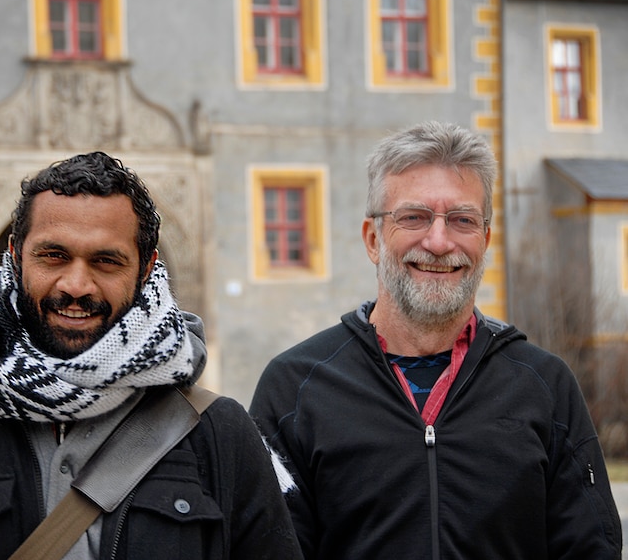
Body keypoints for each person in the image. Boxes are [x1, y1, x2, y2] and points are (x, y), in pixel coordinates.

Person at [0, 152, 303, 560]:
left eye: (106, 261)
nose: (76, 285)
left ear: (148, 268)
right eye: (54, 255)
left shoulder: (218, 435)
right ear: (16, 254)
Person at [249, 121, 623, 560]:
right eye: (414, 217)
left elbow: (590, 550)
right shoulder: (295, 389)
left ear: (484, 239)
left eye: (462, 220)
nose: (439, 241)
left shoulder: (544, 386)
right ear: (373, 239)